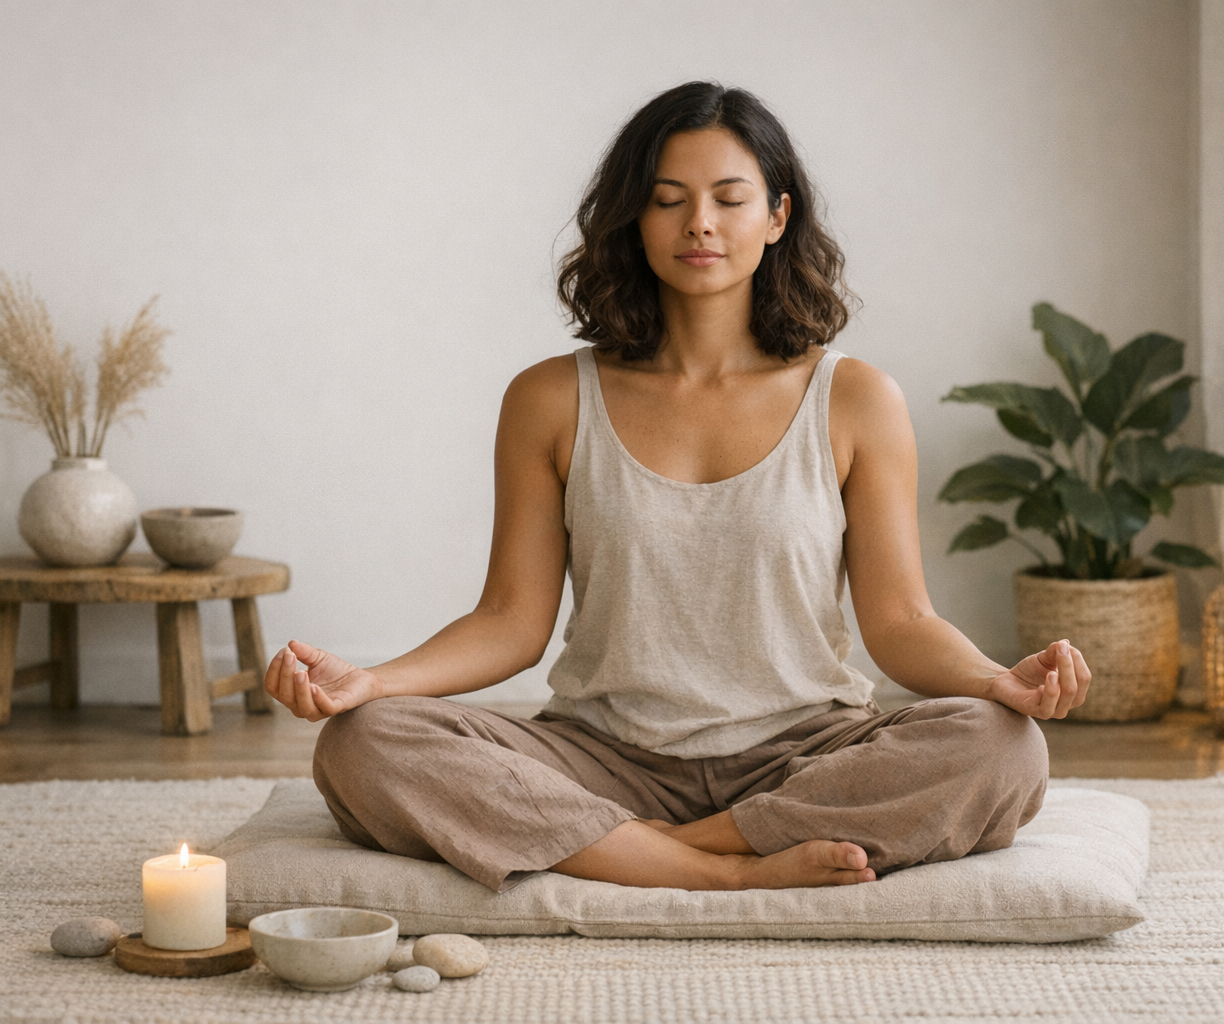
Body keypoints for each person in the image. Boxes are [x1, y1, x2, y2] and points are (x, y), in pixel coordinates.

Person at [265, 82, 1091, 894]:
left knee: (1002, 746)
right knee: (362, 742)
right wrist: (376, 682)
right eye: (668, 200)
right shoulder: (549, 398)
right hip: (601, 757)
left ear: (777, 217)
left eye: (730, 199)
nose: (699, 222)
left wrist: (994, 682)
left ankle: (654, 850)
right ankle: (717, 870)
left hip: (805, 754)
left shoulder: (857, 400)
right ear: (634, 219)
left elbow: (901, 620)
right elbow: (509, 622)